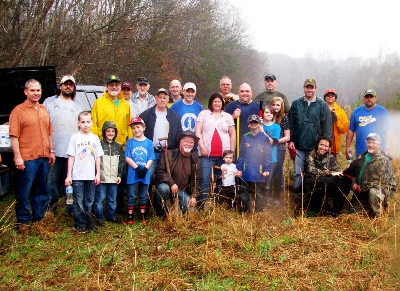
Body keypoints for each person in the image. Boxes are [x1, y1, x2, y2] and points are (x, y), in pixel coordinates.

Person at [9, 79, 56, 233]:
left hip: (43, 157)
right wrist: (17, 157)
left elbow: (49, 133)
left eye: (38, 90)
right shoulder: (18, 111)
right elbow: (14, 136)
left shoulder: (43, 109)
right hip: (27, 158)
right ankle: (23, 221)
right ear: (26, 92)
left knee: (41, 190)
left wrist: (51, 151)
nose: (36, 93)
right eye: (32, 90)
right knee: (24, 190)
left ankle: (38, 217)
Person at [43, 75, 82, 213]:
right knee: (50, 182)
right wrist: (48, 148)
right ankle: (50, 206)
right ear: (60, 86)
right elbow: (43, 125)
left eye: (71, 84)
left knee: (70, 182)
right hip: (53, 150)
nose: (68, 86)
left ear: (74, 88)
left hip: (72, 152)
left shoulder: (78, 106)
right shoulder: (49, 102)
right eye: (66, 84)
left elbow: (82, 129)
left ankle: (70, 207)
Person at [139, 88, 182, 211]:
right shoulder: (146, 115)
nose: (162, 99)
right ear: (155, 98)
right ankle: (144, 206)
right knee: (149, 177)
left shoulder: (174, 116)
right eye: (160, 97)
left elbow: (179, 134)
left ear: (168, 99)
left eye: (164, 97)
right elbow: (139, 132)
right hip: (152, 152)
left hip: (168, 152)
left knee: (167, 179)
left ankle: (164, 205)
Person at [288, 78, 332, 192]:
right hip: (299, 146)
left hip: (315, 147)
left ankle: (312, 198)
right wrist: (291, 141)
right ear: (304, 88)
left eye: (311, 87)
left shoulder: (322, 105)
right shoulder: (296, 104)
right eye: (307, 87)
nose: (309, 89)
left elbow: (327, 126)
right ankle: (298, 199)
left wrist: (327, 145)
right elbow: (291, 124)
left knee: (314, 173)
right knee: (298, 173)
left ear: (315, 89)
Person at [65, 111, 104, 234]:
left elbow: (98, 157)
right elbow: (71, 157)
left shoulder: (95, 138)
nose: (86, 124)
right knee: (78, 200)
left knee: (89, 200)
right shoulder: (75, 138)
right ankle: (80, 224)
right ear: (78, 123)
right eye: (83, 122)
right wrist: (69, 175)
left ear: (92, 123)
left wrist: (97, 174)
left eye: (88, 122)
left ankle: (89, 222)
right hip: (77, 176)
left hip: (90, 176)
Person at [195, 93, 236, 206]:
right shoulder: (203, 114)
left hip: (223, 156)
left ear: (222, 103)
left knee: (221, 179)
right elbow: (197, 131)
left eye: (219, 101)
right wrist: (202, 147)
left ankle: (218, 203)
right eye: (215, 101)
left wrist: (231, 153)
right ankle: (201, 205)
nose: (217, 103)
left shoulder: (227, 116)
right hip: (206, 155)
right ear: (211, 103)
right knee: (205, 179)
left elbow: (232, 135)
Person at [342, 133, 396, 217]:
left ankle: (378, 216)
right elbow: (354, 174)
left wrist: (363, 188)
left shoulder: (384, 160)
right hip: (362, 191)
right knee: (353, 213)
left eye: (373, 143)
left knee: (373, 192)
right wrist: (354, 184)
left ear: (379, 144)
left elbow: (383, 182)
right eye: (369, 142)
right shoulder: (361, 157)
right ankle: (367, 206)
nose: (371, 145)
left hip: (378, 190)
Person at [155, 131, 201, 217]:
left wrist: (194, 196)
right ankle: (160, 214)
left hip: (181, 191)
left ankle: (178, 209)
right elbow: (159, 172)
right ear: (180, 142)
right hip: (168, 187)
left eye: (191, 142)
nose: (188, 144)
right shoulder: (168, 154)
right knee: (163, 188)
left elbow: (197, 179)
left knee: (193, 213)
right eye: (186, 141)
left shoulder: (195, 160)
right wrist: (171, 183)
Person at [301, 136, 349, 216]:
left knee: (345, 181)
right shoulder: (311, 155)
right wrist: (328, 173)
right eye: (321, 145)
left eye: (326, 146)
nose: (323, 148)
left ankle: (337, 210)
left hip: (328, 184)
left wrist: (334, 174)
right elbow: (312, 170)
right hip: (313, 184)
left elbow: (338, 171)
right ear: (317, 145)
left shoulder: (330, 157)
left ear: (329, 148)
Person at [236, 115, 272, 212]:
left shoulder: (264, 138)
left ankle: (258, 210)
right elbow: (242, 154)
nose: (253, 124)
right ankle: (244, 210)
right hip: (246, 169)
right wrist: (239, 168)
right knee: (244, 191)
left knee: (258, 191)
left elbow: (268, 155)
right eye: (251, 122)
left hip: (259, 169)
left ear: (259, 124)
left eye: (255, 122)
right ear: (248, 125)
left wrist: (266, 169)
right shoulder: (245, 137)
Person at [92, 121, 124, 225]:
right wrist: (96, 175)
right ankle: (99, 217)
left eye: (113, 131)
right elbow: (94, 161)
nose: (110, 133)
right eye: (108, 131)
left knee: (112, 199)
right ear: (104, 132)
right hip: (102, 177)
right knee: (99, 198)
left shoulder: (118, 147)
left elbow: (121, 163)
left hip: (114, 178)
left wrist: (119, 175)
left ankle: (111, 216)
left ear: (115, 133)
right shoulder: (99, 145)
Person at [346, 89, 393, 158]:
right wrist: (347, 147)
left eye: (371, 97)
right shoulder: (356, 112)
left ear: (375, 98)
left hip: (379, 152)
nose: (369, 99)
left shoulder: (382, 111)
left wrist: (387, 147)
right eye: (367, 97)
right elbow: (351, 130)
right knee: (361, 168)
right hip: (361, 151)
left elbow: (388, 130)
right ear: (363, 98)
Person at [125, 117, 155, 224]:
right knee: (132, 195)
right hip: (133, 172)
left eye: (138, 127)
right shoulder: (130, 142)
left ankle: (143, 215)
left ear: (143, 128)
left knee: (143, 195)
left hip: (144, 173)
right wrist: (137, 168)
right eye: (133, 128)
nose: (136, 130)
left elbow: (151, 157)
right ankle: (130, 216)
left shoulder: (149, 142)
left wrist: (145, 168)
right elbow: (127, 157)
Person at [91, 75, 132, 148]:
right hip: (103, 145)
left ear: (120, 87)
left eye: (116, 85)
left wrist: (131, 143)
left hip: (121, 146)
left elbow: (129, 126)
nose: (114, 87)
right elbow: (93, 125)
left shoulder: (126, 104)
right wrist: (94, 144)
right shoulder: (98, 103)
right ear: (106, 87)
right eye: (111, 85)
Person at [270, 97, 290, 197]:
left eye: (278, 105)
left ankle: (277, 196)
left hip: (279, 148)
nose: (275, 107)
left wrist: (275, 141)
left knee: (277, 171)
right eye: (273, 104)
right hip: (267, 149)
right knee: (268, 171)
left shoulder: (284, 119)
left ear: (281, 106)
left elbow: (287, 137)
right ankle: (267, 194)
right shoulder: (268, 116)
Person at [261, 105, 281, 204]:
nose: (269, 114)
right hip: (259, 158)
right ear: (262, 114)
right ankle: (259, 201)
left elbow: (272, 142)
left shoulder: (276, 127)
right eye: (266, 112)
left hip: (271, 158)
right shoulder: (258, 125)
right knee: (260, 180)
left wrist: (262, 131)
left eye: (271, 113)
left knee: (267, 181)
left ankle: (266, 202)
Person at [323, 89, 349, 157]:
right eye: (328, 95)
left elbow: (344, 129)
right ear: (325, 98)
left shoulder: (341, 111)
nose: (330, 97)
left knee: (333, 167)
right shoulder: (320, 109)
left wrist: (336, 117)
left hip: (334, 148)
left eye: (332, 95)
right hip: (322, 147)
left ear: (335, 98)